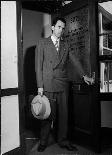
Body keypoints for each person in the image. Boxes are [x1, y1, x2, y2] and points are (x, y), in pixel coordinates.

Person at [35, 17, 94, 152]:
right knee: (47, 115)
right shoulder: (42, 43)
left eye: (63, 28)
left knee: (63, 115)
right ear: (52, 27)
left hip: (62, 84)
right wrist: (40, 86)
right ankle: (43, 141)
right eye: (59, 27)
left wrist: (84, 76)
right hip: (48, 84)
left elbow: (75, 61)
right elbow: (38, 67)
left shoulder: (66, 45)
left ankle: (63, 140)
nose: (61, 30)